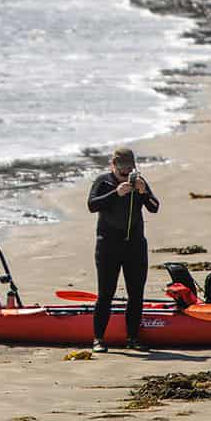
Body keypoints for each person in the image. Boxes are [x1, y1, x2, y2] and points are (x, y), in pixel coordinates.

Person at [86, 147, 160, 353]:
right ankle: (98, 339)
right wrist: (115, 193)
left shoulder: (139, 183)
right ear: (113, 165)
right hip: (108, 245)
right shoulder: (104, 181)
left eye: (130, 169)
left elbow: (155, 207)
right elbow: (92, 205)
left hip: (135, 246)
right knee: (105, 294)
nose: (126, 174)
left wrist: (143, 192)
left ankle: (133, 338)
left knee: (136, 294)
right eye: (122, 170)